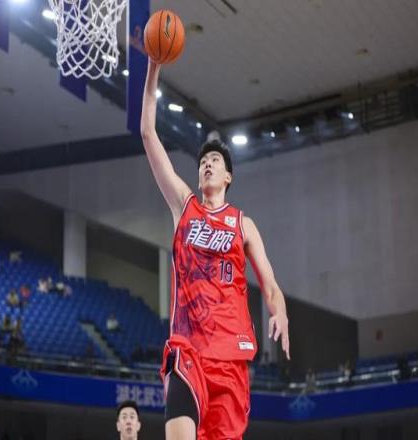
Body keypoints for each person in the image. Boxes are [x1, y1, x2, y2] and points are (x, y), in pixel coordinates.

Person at [141, 60, 290, 440]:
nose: (207, 165)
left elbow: (271, 285)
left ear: (228, 177)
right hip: (188, 348)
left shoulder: (243, 224)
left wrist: (281, 312)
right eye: (203, 162)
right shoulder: (184, 207)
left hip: (231, 359)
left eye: (215, 161)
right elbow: (147, 134)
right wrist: (153, 68)